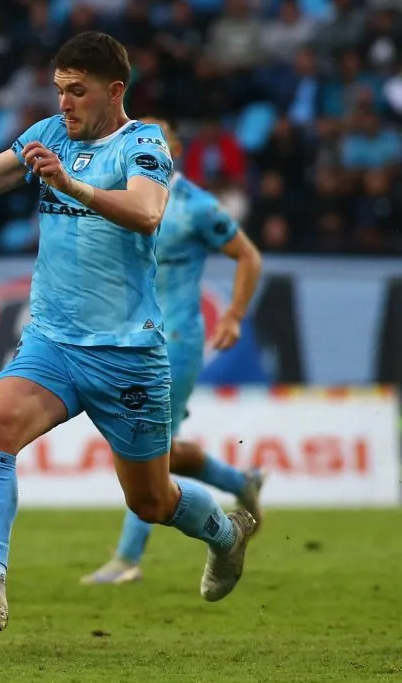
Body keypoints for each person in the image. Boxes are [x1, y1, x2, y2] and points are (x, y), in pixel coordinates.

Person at [0, 32, 258, 635]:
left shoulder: (142, 142)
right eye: (59, 89)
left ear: (114, 91)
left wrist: (71, 186)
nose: (64, 103)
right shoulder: (48, 134)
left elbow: (146, 212)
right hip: (53, 343)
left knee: (151, 500)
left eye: (77, 91)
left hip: (128, 355)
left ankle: (226, 532)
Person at [82, 118, 265, 585]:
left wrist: (234, 315)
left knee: (149, 449)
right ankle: (238, 482)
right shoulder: (117, 196)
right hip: (125, 341)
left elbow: (248, 255)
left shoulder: (196, 207)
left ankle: (127, 558)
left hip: (176, 342)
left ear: (176, 149)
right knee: (157, 450)